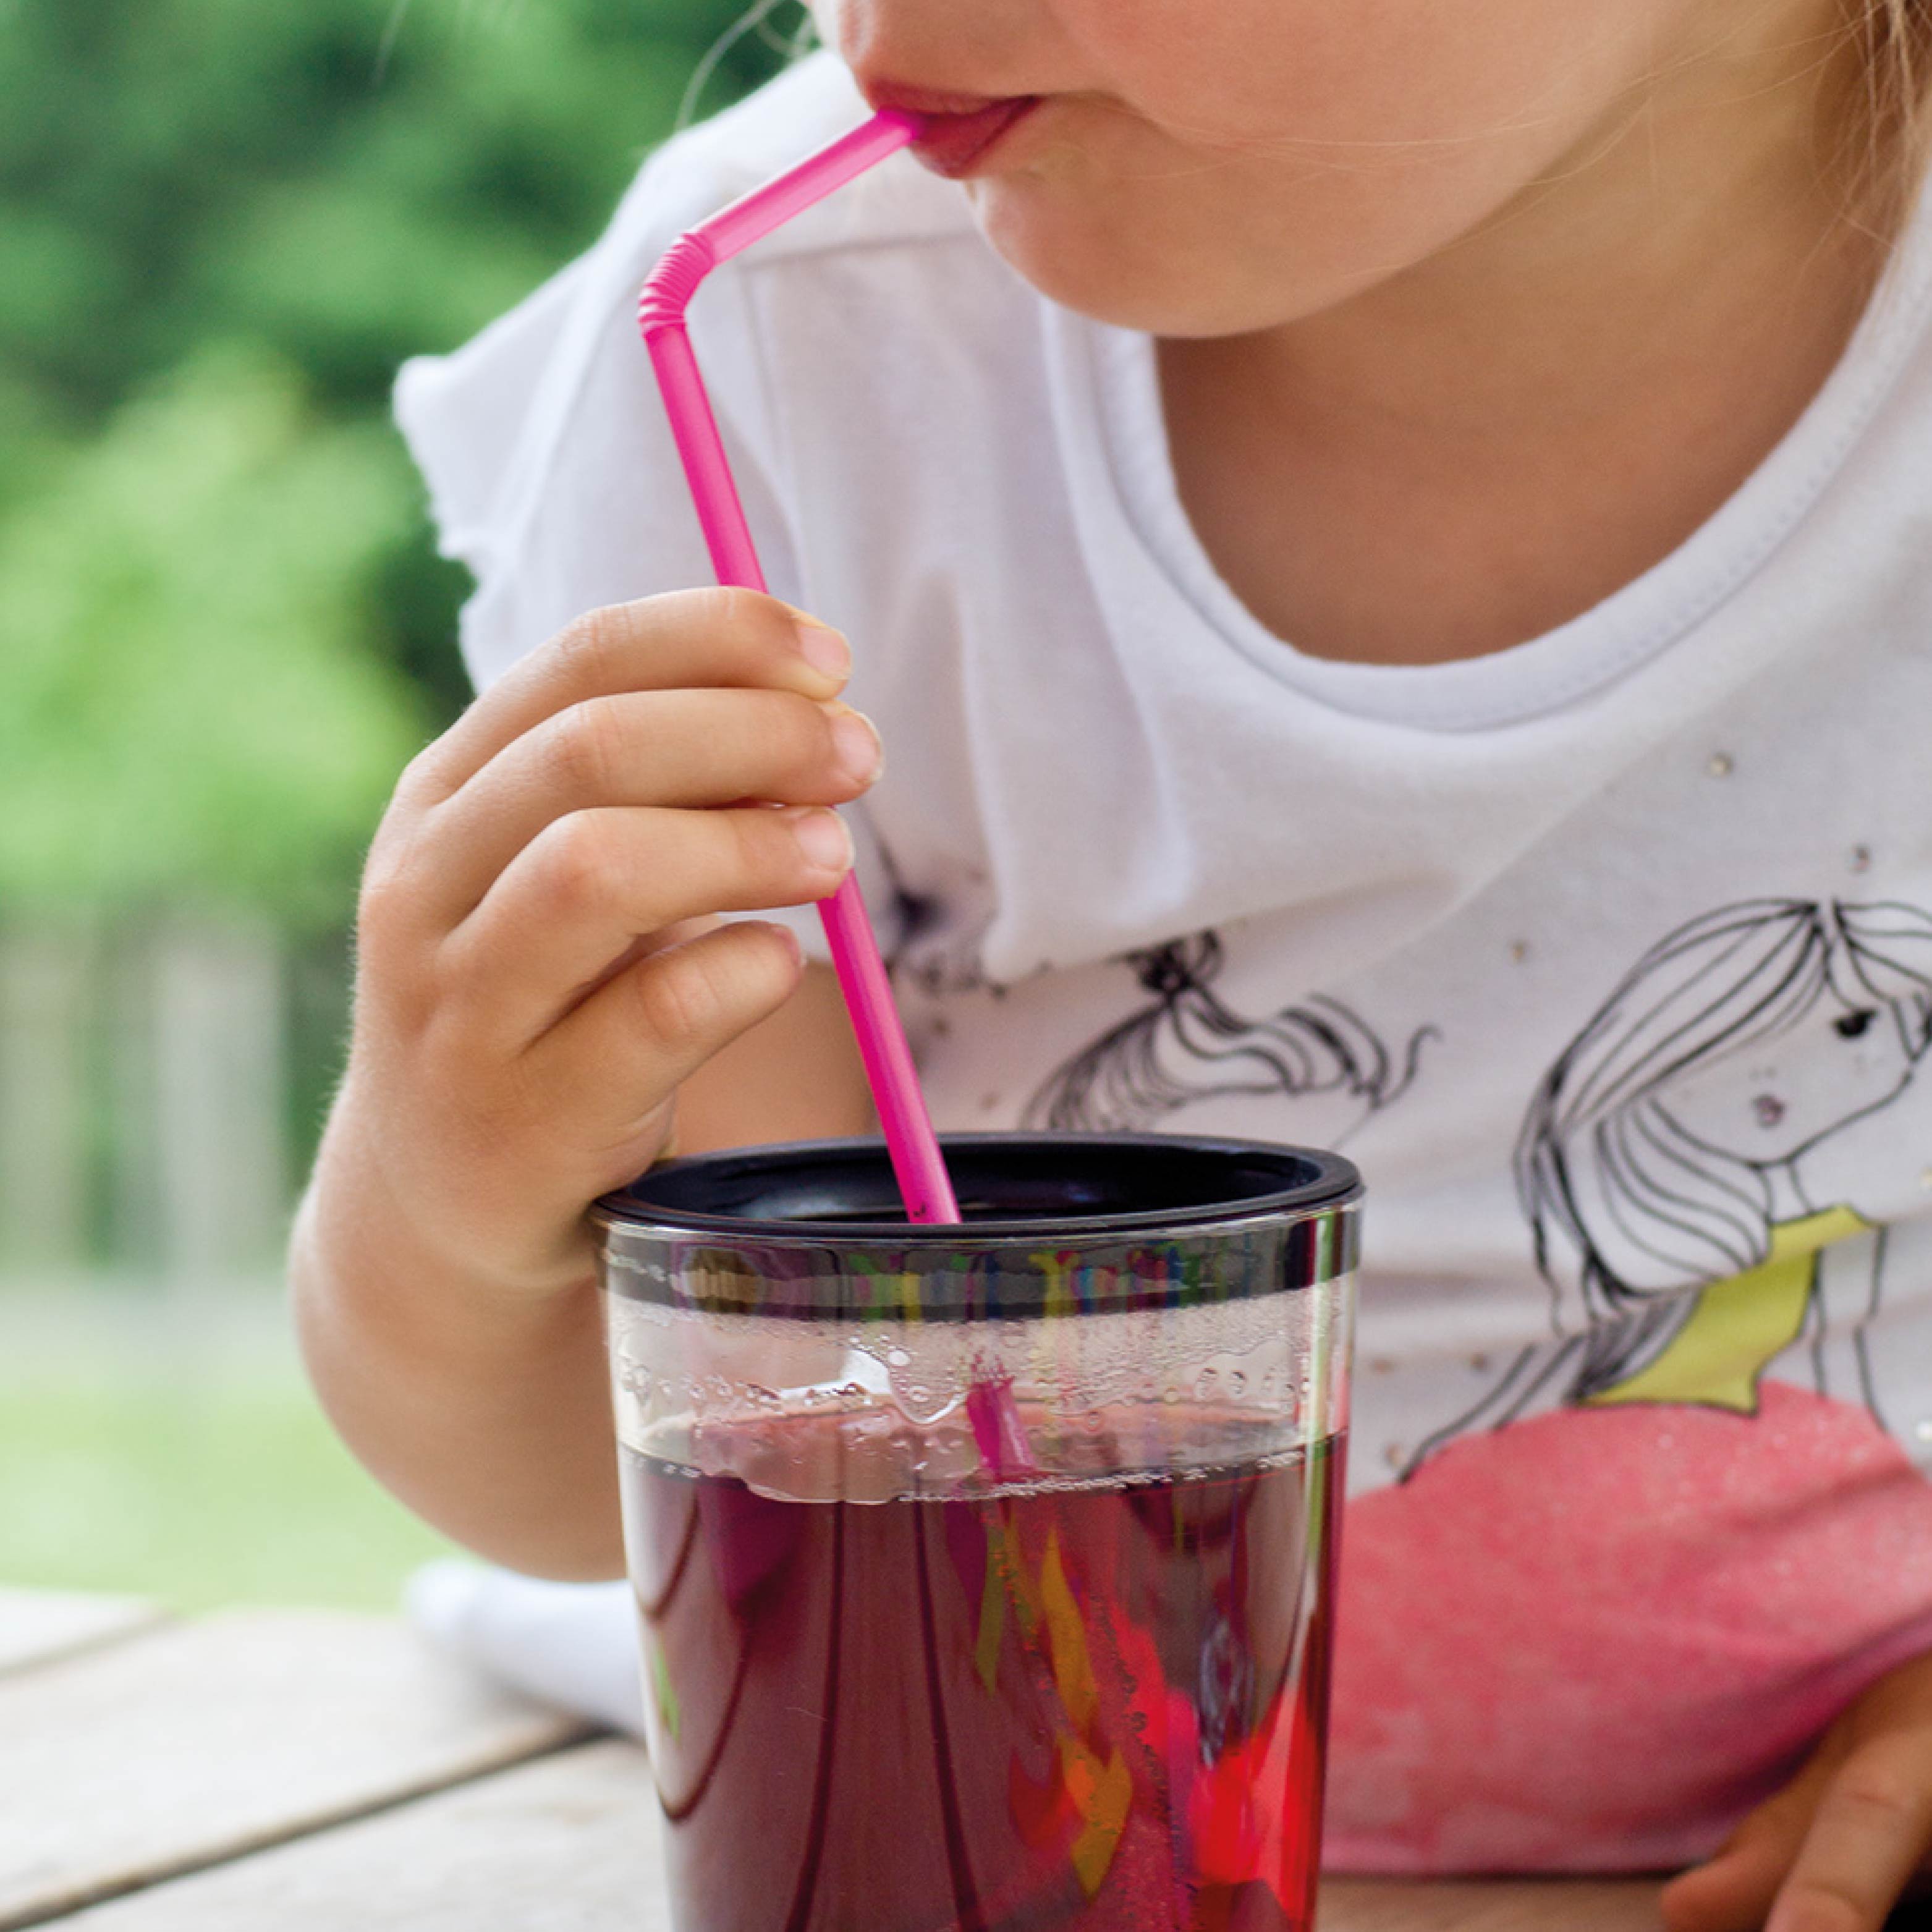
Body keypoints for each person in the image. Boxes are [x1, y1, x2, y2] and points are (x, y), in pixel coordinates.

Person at [292, 0, 1932, 1923]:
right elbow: (613, 1479)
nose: (878, 23)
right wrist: (437, 1191)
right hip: (936, 1826)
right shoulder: (783, 351)